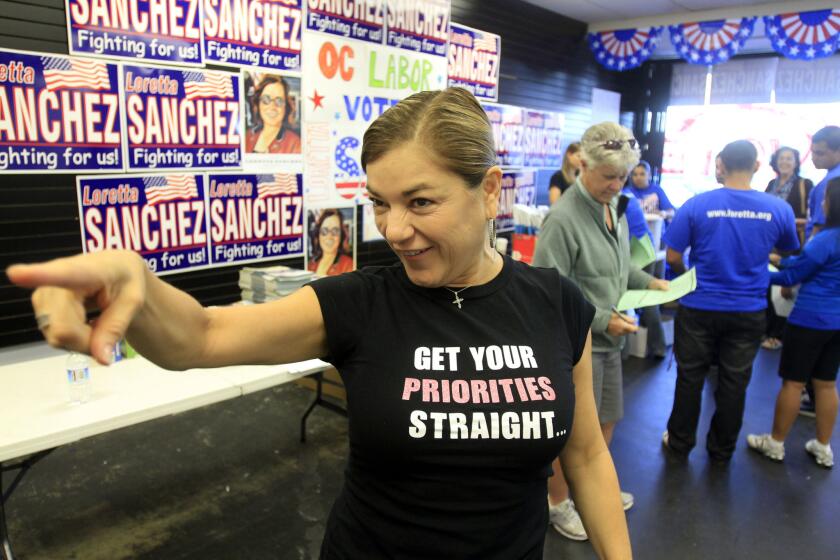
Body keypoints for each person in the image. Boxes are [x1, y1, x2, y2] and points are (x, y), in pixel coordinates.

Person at [6, 88, 632, 559]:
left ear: (490, 190)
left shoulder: (555, 302)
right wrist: (135, 282)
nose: (393, 229)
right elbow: (201, 336)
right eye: (380, 204)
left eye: (420, 202)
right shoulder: (360, 302)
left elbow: (585, 455)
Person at [532, 122, 668, 541]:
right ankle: (558, 504)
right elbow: (546, 293)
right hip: (579, 345)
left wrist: (649, 282)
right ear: (582, 164)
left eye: (623, 177)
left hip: (611, 339)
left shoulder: (615, 208)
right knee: (573, 432)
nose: (616, 184)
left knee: (606, 421)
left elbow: (619, 265)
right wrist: (599, 319)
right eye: (608, 176)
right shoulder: (563, 219)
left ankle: (593, 490)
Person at [662, 140, 800, 463]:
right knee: (734, 382)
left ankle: (680, 442)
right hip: (749, 309)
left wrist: (689, 277)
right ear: (756, 166)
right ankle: (722, 450)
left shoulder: (697, 205)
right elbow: (788, 251)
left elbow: (672, 256)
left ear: (720, 164)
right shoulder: (779, 209)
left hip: (698, 306)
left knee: (689, 377)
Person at [747, 178, 840, 468]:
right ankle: (824, 448)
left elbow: (792, 276)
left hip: (809, 320)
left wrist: (756, 273)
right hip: (836, 323)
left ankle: (775, 443)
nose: (822, 202)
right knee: (826, 385)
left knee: (793, 382)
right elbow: (808, 265)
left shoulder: (826, 239)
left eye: (825, 198)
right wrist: (781, 260)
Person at [245, 75, 302, 154]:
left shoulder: (295, 143)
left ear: (286, 107)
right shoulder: (247, 136)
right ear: (258, 103)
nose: (272, 106)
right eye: (266, 99)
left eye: (279, 101)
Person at [805, 126, 840, 239]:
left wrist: (808, 254)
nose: (813, 158)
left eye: (820, 153)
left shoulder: (831, 182)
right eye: (813, 152)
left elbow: (819, 226)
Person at [307, 209, 354, 276]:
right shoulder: (311, 264)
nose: (329, 236)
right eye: (324, 231)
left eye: (335, 231)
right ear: (318, 234)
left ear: (341, 235)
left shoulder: (348, 265)